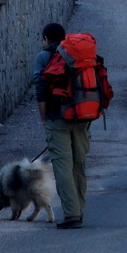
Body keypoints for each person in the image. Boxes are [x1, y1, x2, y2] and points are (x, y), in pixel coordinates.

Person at [32, 22, 91, 229]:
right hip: (82, 117)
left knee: (63, 167)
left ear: (46, 38)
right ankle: (79, 211)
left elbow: (40, 88)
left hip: (57, 119)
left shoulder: (43, 57)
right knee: (79, 165)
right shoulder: (78, 55)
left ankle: (71, 215)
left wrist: (44, 118)